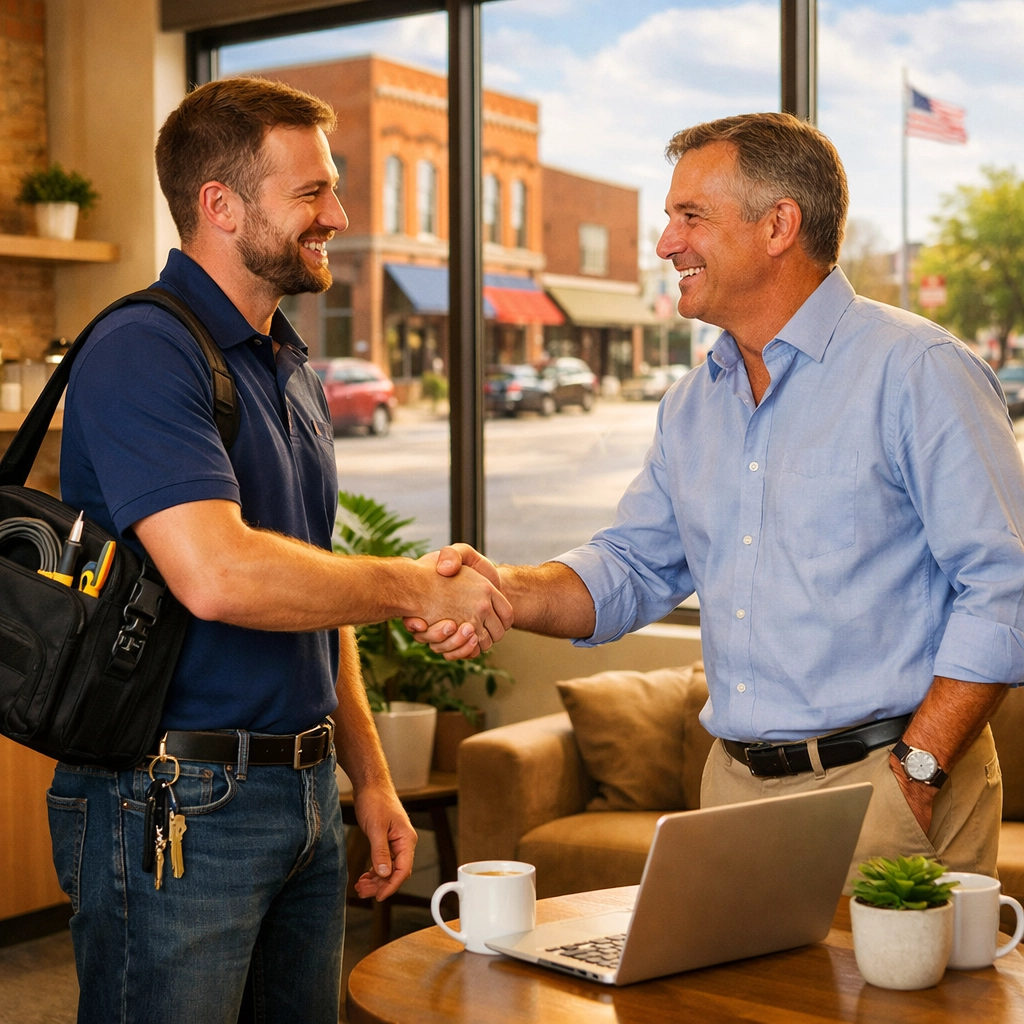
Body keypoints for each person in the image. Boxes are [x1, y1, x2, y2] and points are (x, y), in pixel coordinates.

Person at [411, 112, 1024, 878]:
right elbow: (632, 566)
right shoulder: (692, 405)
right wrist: (505, 590)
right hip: (731, 789)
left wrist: (921, 767)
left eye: (688, 216)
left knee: (887, 1006)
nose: (665, 243)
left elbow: (1005, 588)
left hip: (887, 785)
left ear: (778, 226)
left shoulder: (919, 370)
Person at [49, 77, 512, 1024]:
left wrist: (369, 775)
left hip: (299, 798)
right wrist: (415, 586)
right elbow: (219, 575)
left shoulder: (285, 362)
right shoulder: (145, 349)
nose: (337, 215)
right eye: (311, 194)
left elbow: (314, 584)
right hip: (174, 802)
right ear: (219, 206)